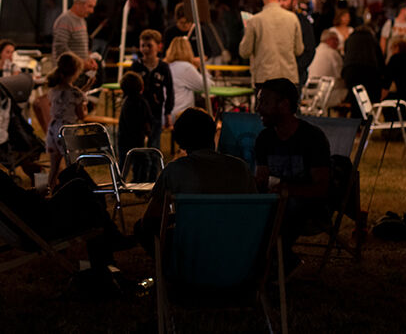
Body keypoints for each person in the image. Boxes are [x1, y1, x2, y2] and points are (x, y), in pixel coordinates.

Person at [0, 107, 129, 285]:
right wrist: (36, 194)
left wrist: (34, 193)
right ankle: (108, 246)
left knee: (74, 174)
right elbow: (15, 202)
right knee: (80, 187)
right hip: (36, 222)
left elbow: (11, 199)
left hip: (30, 215)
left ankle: (107, 247)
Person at [138, 108, 256, 250]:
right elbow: (253, 210)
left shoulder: (175, 171)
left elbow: (149, 221)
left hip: (193, 246)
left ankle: (169, 267)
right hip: (237, 244)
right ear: (213, 133)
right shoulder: (241, 167)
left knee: (141, 228)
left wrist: (177, 217)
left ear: (181, 142)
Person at [252, 77, 332, 272]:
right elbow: (261, 180)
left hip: (310, 207)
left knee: (288, 205)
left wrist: (289, 190)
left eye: (264, 102)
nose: (258, 109)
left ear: (284, 104)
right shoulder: (265, 138)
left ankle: (276, 260)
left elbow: (322, 188)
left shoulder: (312, 138)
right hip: (276, 202)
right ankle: (266, 260)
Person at [238, 0, 304, 87]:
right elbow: (299, 50)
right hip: (289, 78)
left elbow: (244, 52)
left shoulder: (255, 20)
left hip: (265, 79)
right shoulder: (292, 18)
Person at [45, 52, 88, 190]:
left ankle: (50, 192)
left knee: (54, 167)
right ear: (76, 72)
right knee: (72, 166)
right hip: (67, 131)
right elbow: (81, 115)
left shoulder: (53, 90)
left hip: (52, 130)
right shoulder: (76, 93)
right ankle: (72, 192)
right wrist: (85, 107)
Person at [129, 29, 173, 151]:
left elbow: (170, 90)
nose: (146, 49)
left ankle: (155, 169)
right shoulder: (136, 66)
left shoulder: (163, 67)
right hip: (137, 111)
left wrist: (168, 112)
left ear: (159, 47)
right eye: (143, 45)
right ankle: (140, 168)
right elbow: (128, 88)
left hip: (156, 111)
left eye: (149, 46)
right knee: (137, 145)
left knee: (154, 145)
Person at [52, 0, 99, 74]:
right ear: (78, 4)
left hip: (77, 73)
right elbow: (61, 48)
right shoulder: (65, 20)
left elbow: (81, 47)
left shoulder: (82, 20)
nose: (92, 11)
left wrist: (88, 59)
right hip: (66, 74)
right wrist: (81, 63)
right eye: (89, 6)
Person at [164, 37, 208, 125]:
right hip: (181, 116)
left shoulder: (166, 66)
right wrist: (202, 67)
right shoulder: (186, 67)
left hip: (165, 114)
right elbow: (206, 86)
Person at [280, 0, 317, 87]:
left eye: (284, 0)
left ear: (294, 1)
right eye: (279, 0)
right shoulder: (275, 21)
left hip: (295, 77)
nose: (281, 3)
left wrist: (296, 68)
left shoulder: (303, 22)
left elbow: (310, 50)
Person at [117, 71, 152, 162]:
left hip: (124, 138)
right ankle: (139, 176)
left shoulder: (126, 102)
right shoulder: (143, 102)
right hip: (138, 138)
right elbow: (148, 119)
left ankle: (121, 175)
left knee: (123, 163)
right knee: (141, 163)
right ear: (141, 87)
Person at [307, 28, 347, 107]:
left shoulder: (315, 51)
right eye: (336, 40)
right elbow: (340, 74)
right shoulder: (333, 53)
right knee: (347, 91)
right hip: (326, 94)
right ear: (329, 40)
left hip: (310, 92)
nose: (338, 43)